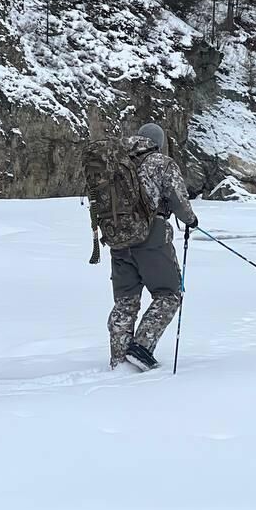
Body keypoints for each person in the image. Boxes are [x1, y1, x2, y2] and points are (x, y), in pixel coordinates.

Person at [106, 123, 197, 371]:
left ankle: (119, 360)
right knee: (169, 293)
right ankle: (141, 349)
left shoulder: (116, 162)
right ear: (159, 142)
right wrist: (191, 220)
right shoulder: (162, 162)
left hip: (118, 238)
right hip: (151, 236)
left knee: (125, 301)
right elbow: (178, 200)